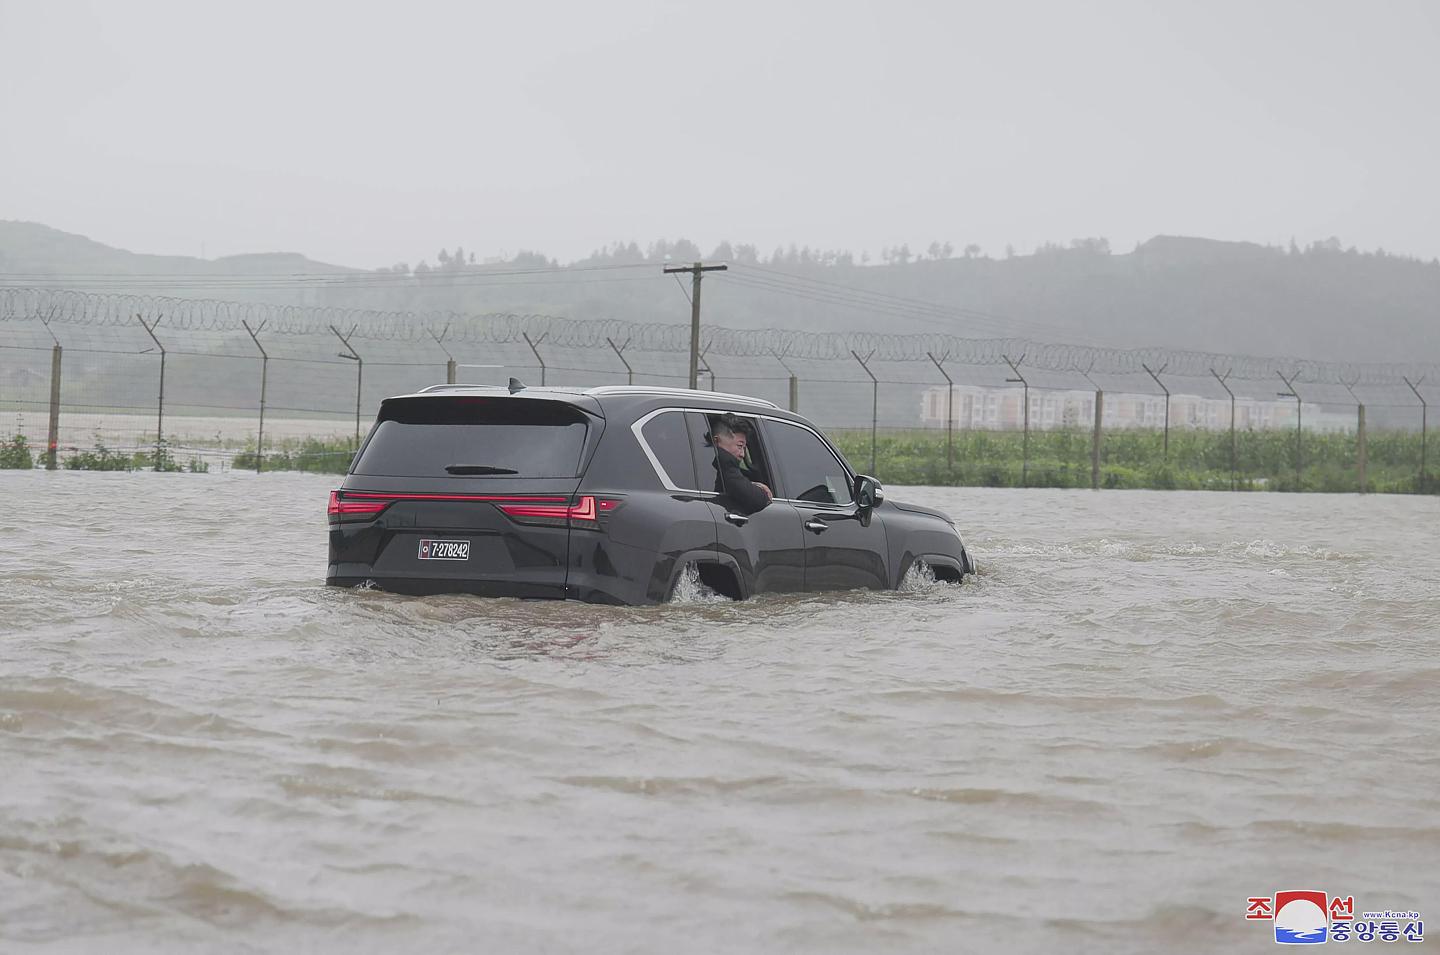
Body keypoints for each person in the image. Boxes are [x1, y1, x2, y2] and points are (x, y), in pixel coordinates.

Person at [709, 414, 772, 514]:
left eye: (744, 448)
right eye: (739, 446)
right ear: (716, 441)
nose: (743, 454)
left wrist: (749, 484)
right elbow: (754, 499)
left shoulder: (709, 464)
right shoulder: (725, 463)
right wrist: (764, 493)